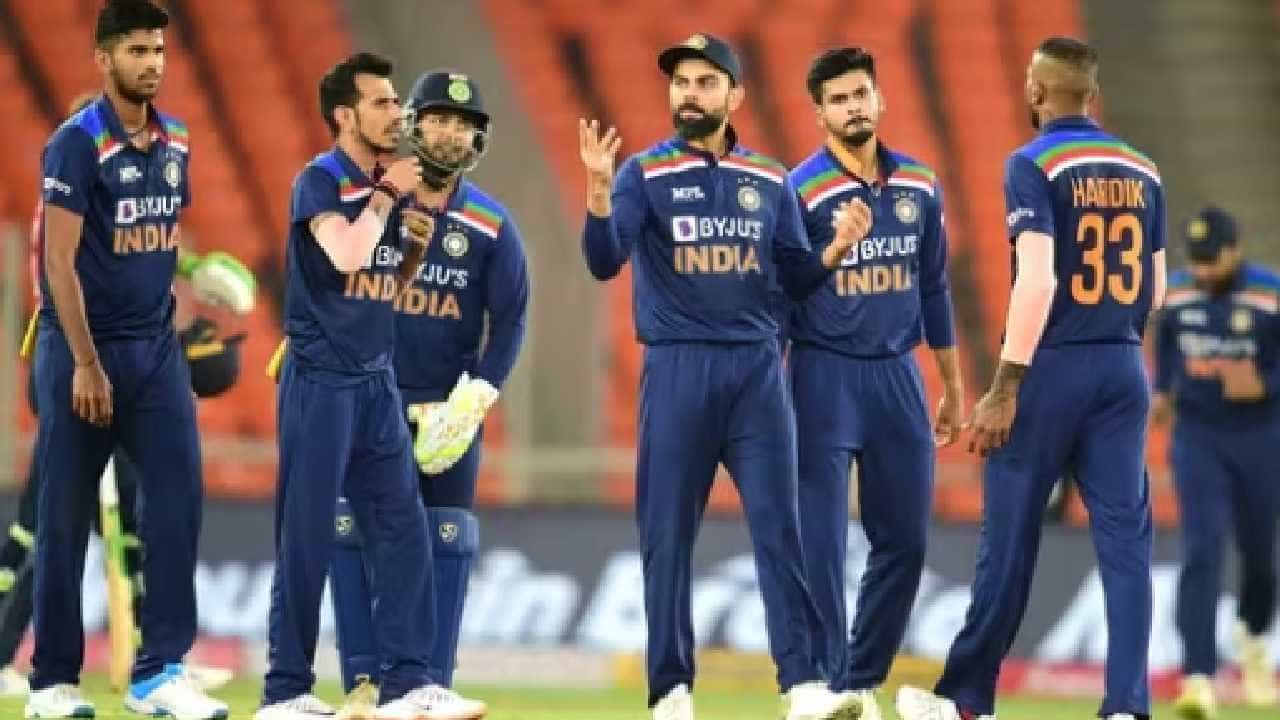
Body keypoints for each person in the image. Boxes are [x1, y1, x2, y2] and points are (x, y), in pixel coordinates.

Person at [577, 32, 870, 720]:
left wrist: (834, 250)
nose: (689, 94)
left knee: (780, 532)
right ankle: (670, 690)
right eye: (680, 82)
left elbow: (795, 278)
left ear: (734, 96)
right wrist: (598, 194)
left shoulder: (768, 179)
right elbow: (603, 260)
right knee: (666, 536)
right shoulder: (643, 173)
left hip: (756, 373)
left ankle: (803, 685)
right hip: (678, 366)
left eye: (705, 82)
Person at [895, 36, 1167, 720]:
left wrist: (1005, 386)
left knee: (1010, 536)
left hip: (1051, 365)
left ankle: (966, 701)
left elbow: (1038, 279)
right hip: (1124, 363)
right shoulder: (1145, 169)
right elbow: (1157, 288)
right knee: (1126, 544)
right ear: (1093, 94)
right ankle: (1128, 705)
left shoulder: (1033, 163)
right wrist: (1114, 335)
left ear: (1038, 92)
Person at [254, 51, 485, 720]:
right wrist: (386, 198)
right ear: (344, 115)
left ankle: (408, 683)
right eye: (382, 103)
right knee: (305, 537)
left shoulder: (390, 186)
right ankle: (285, 690)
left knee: (403, 530)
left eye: (394, 100)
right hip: (321, 379)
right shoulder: (320, 181)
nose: (397, 113)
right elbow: (346, 253)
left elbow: (380, 283)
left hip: (376, 380)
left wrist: (411, 253)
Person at [28, 1, 229, 717]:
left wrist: (186, 324)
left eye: (159, 51)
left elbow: (156, 246)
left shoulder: (177, 139)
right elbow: (58, 261)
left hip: (155, 353)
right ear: (104, 58)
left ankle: (160, 672)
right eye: (137, 50)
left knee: (177, 501)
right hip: (81, 352)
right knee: (63, 516)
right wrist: (86, 363)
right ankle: (52, 682)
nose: (151, 63)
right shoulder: (76, 143)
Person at [329, 69, 529, 701]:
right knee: (355, 534)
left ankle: (430, 687)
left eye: (463, 125)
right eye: (439, 119)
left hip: (446, 415)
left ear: (477, 139)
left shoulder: (491, 224)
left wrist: (478, 397)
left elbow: (511, 319)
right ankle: (365, 683)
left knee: (447, 538)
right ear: (414, 125)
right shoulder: (373, 202)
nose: (449, 134)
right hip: (372, 403)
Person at [787, 47, 962, 720]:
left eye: (861, 93)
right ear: (820, 114)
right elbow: (782, 293)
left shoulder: (919, 183)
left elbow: (935, 287)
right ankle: (828, 683)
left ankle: (861, 678)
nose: (853, 107)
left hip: (897, 377)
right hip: (822, 375)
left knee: (907, 541)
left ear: (879, 98)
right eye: (838, 99)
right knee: (822, 542)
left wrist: (951, 384)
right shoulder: (799, 191)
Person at [1156, 208, 1279, 718]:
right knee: (1201, 550)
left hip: (1260, 437)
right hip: (1198, 436)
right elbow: (1166, 347)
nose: (1203, 270)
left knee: (1259, 558)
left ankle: (1253, 638)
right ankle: (1198, 678)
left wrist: (1264, 385)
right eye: (1197, 260)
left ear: (1236, 249)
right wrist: (1161, 391)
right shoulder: (1178, 293)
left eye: (1213, 259)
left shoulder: (1269, 295)